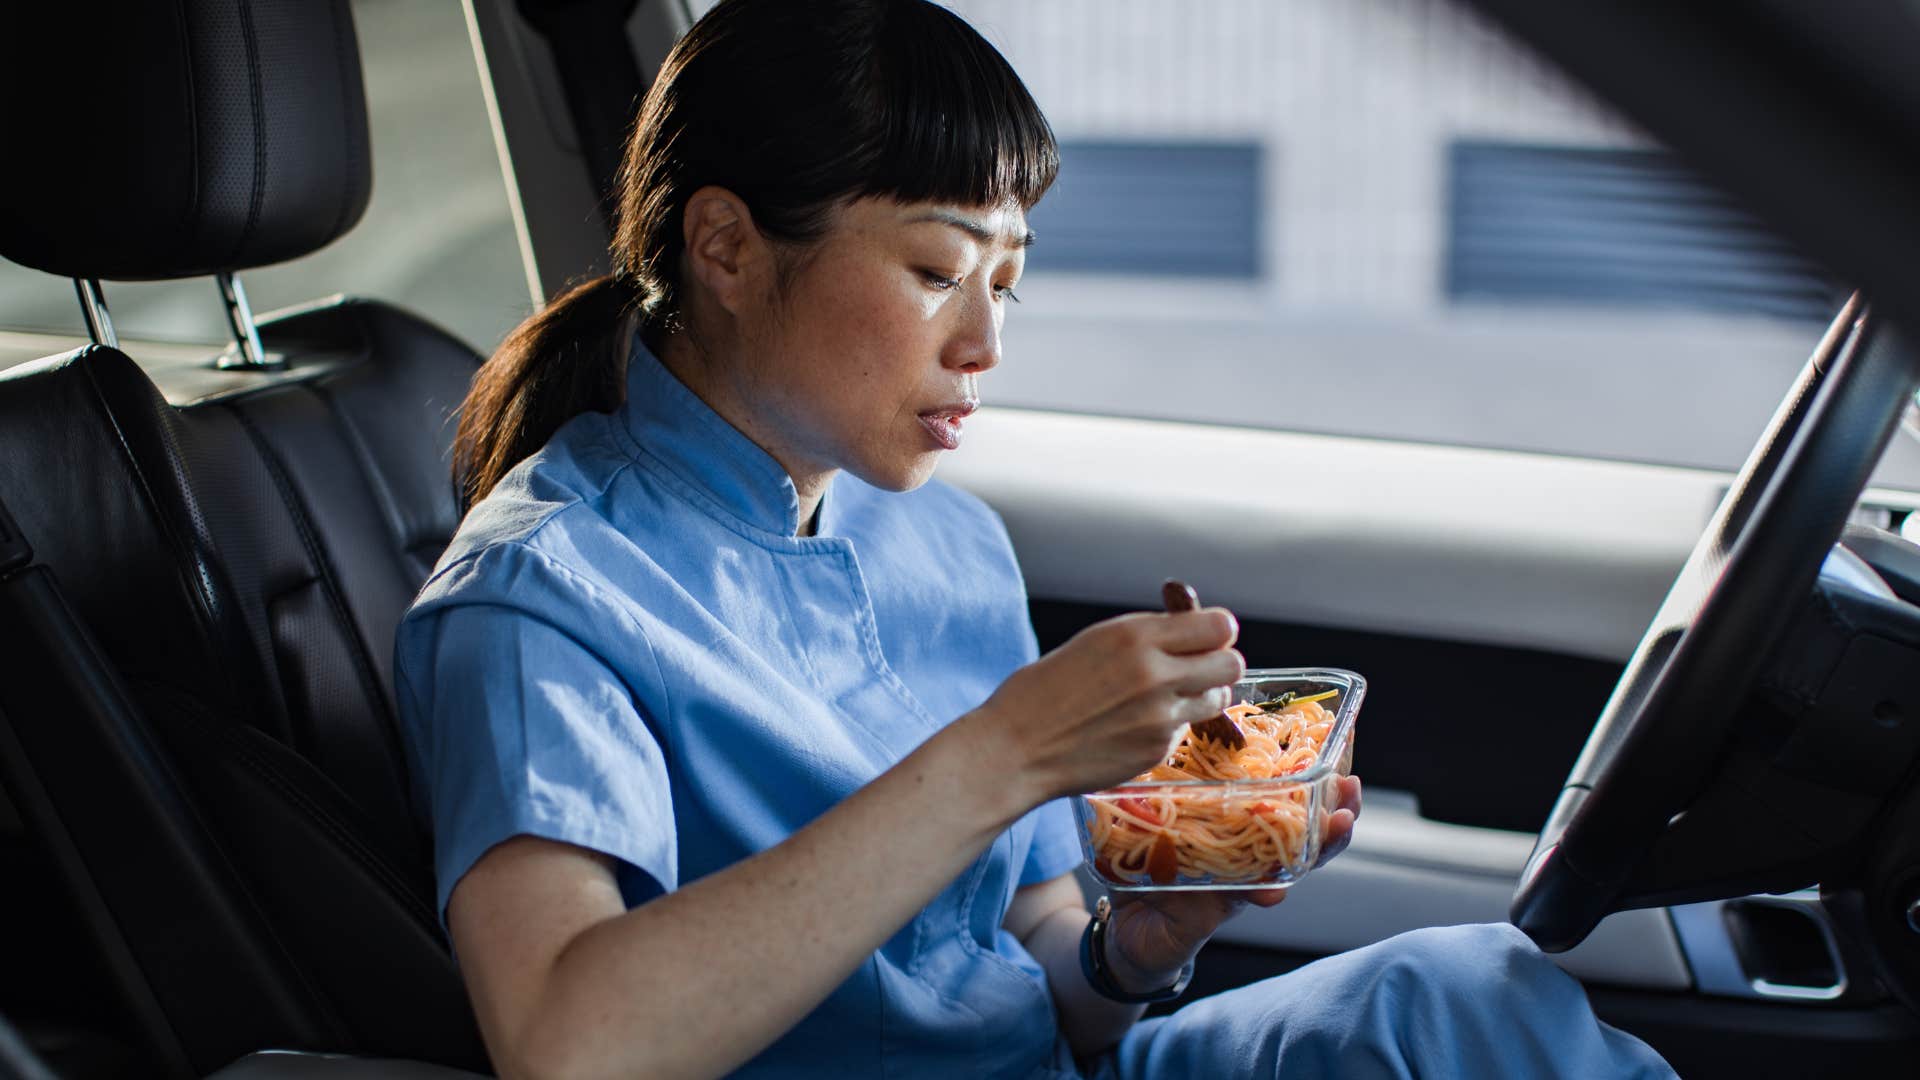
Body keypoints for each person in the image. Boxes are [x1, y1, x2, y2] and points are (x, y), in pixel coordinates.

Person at [394, 1, 1678, 1076]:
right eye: (937, 271)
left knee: (1461, 1000)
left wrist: (1140, 942)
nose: (985, 345)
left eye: (1004, 283)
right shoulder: (539, 600)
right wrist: (999, 759)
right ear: (726, 246)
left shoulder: (947, 540)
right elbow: (566, 1041)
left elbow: (1038, 951)